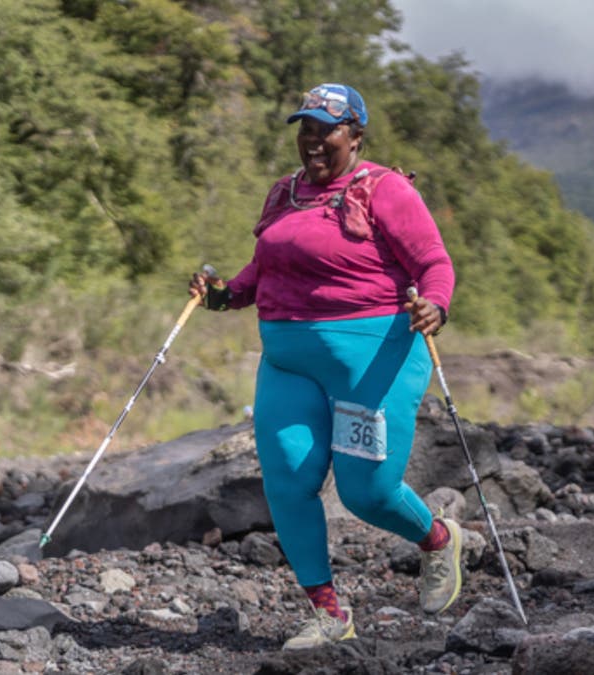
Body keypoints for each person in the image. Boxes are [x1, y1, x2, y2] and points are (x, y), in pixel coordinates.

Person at [189, 82, 459, 650]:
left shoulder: (384, 189)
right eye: (304, 129)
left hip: (373, 361)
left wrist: (435, 303)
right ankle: (328, 613)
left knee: (367, 494)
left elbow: (433, 262)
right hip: (288, 365)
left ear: (354, 136)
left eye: (325, 130)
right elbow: (256, 278)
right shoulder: (282, 195)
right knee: (287, 483)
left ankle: (437, 540)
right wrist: (217, 295)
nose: (312, 141)